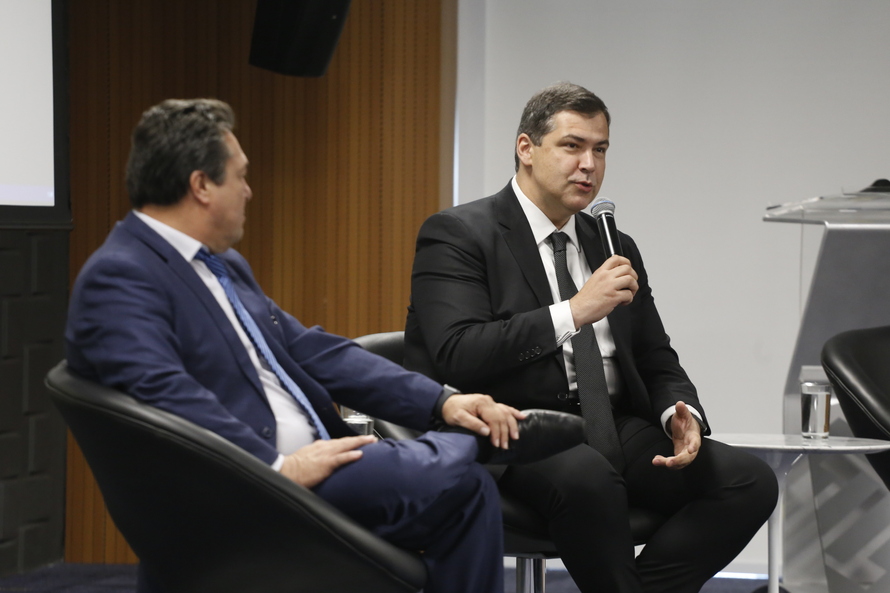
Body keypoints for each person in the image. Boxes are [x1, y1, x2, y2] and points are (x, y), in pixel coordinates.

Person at [65, 98, 585, 593]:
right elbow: (165, 396)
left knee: (467, 493)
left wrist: (443, 401)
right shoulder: (121, 276)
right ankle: (476, 442)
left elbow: (313, 350)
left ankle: (461, 438)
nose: (249, 191)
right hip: (250, 485)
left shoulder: (220, 265)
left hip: (310, 462)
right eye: (240, 176)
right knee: (459, 479)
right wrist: (275, 468)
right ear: (201, 185)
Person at [404, 82, 779, 593]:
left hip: (609, 424)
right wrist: (575, 311)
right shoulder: (458, 234)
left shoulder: (611, 243)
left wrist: (680, 413)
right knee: (590, 479)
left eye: (600, 150)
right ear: (526, 149)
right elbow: (458, 354)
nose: (589, 165)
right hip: (510, 423)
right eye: (572, 146)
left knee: (748, 481)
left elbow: (654, 354)